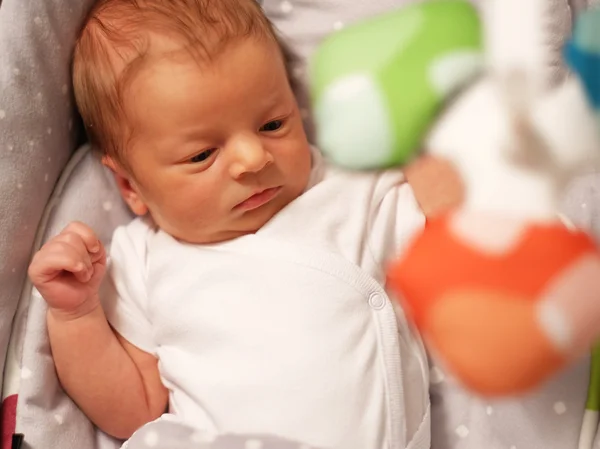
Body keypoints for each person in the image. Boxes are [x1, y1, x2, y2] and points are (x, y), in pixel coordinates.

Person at [28, 0, 461, 447]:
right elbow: (133, 410)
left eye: (273, 124)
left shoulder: (353, 193)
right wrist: (77, 314)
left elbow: (457, 230)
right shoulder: (137, 260)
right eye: (202, 155)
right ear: (128, 185)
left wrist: (431, 154)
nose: (255, 158)